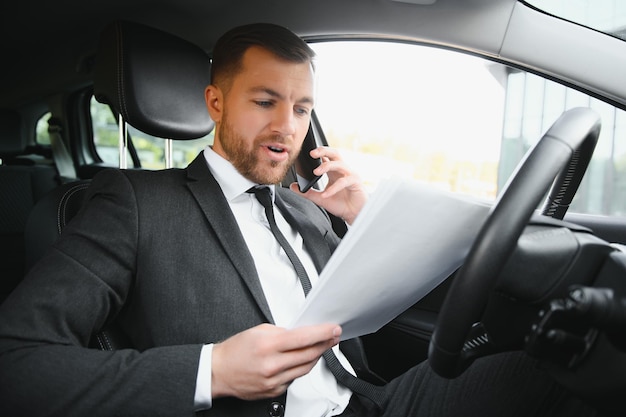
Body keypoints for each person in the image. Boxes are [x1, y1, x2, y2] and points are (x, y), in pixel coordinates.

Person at [0, 23, 600, 417]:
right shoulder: (131, 202)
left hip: (374, 403)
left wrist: (368, 223)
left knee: (565, 367)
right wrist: (213, 370)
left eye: (302, 107)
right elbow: (17, 360)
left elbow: (397, 305)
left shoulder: (306, 208)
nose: (287, 126)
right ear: (216, 103)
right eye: (264, 102)